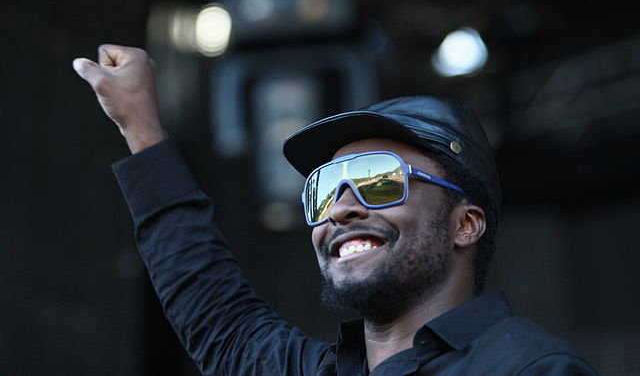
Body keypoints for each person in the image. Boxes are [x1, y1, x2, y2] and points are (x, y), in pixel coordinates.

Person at [73, 44, 598, 375]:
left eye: (379, 181)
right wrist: (141, 127)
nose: (341, 207)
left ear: (465, 224)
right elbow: (212, 307)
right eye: (324, 187)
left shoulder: (531, 367)